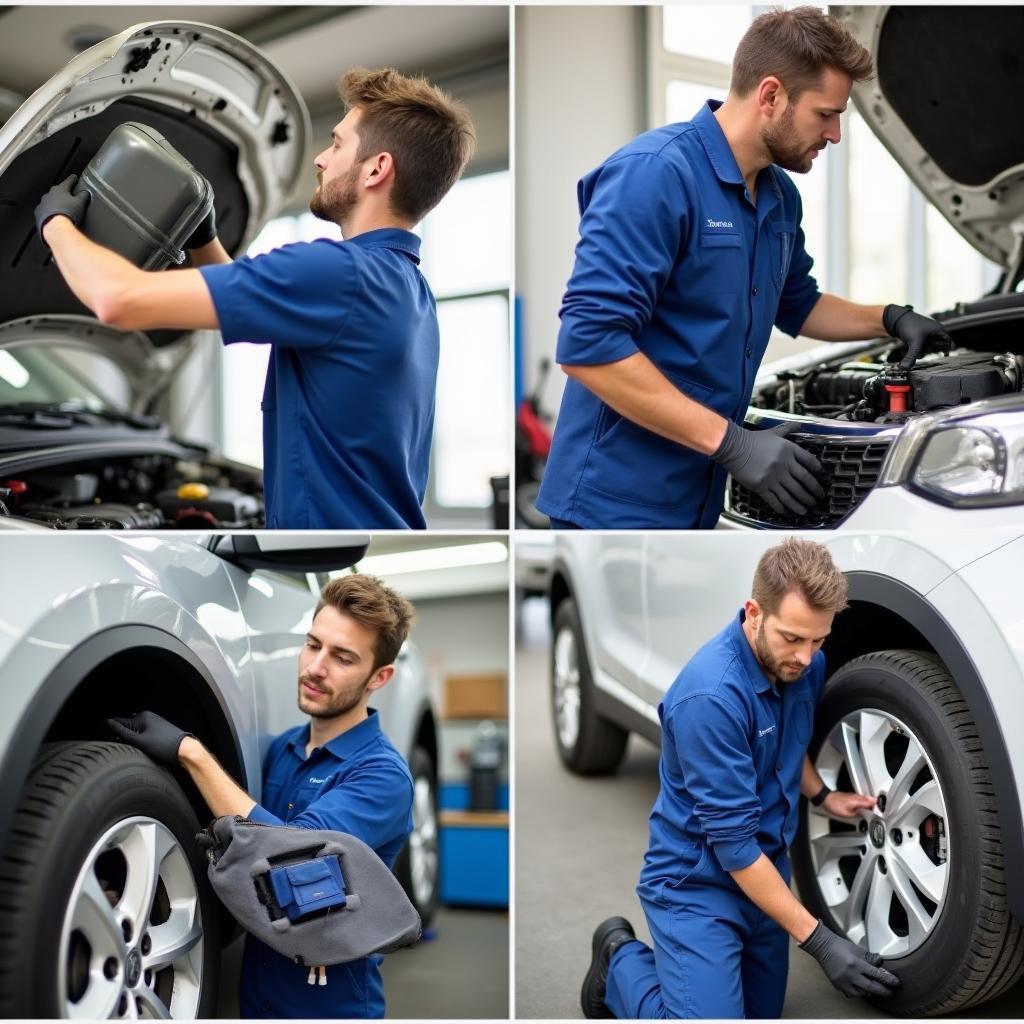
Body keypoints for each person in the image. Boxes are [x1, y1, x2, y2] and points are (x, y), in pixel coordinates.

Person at [536, 7, 952, 529]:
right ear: (772, 95)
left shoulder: (780, 196)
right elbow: (589, 347)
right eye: (825, 114)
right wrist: (734, 445)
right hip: (614, 501)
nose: (834, 134)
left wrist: (890, 318)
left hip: (701, 495)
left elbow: (797, 303)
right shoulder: (654, 176)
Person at [33, 67, 476, 530]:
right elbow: (247, 309)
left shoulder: (339, 272)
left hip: (320, 543)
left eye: (338, 143)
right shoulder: (406, 287)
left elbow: (117, 300)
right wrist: (205, 237)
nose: (321, 159)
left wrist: (57, 226)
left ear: (377, 168)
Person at [581, 538, 901, 1018]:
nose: (806, 656)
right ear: (754, 612)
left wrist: (824, 795)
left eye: (818, 640)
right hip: (696, 886)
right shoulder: (710, 699)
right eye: (792, 637)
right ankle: (619, 959)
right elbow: (733, 848)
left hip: (765, 875)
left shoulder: (802, 666)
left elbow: (782, 746)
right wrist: (820, 942)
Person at [108, 573, 417, 1019]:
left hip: (328, 1007)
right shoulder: (283, 750)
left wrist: (191, 753)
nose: (316, 667)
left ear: (380, 676)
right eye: (313, 645)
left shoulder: (382, 775)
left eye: (343, 658)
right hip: (256, 1001)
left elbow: (291, 855)